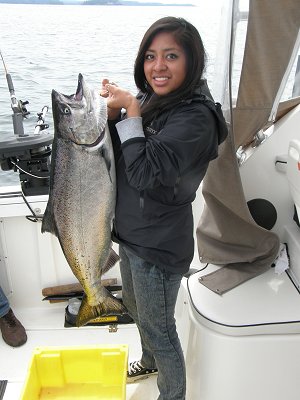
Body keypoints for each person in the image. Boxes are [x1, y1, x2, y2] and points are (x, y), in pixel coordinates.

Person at [101, 16, 227, 400]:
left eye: (171, 56)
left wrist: (133, 113)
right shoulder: (158, 100)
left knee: (160, 329)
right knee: (137, 311)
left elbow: (142, 173)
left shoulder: (196, 117)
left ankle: (172, 394)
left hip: (158, 247)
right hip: (132, 236)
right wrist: (113, 116)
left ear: (192, 61)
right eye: (151, 56)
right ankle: (150, 361)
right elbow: (121, 154)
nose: (158, 66)